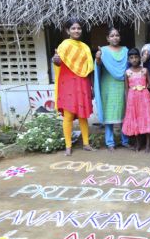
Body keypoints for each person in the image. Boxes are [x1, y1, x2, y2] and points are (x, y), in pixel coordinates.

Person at [52, 18, 95, 156]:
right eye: (73, 28)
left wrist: (92, 87)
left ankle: (86, 143)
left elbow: (89, 68)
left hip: (83, 83)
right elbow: (58, 63)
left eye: (79, 28)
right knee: (68, 115)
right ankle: (68, 146)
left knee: (83, 115)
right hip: (68, 83)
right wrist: (56, 61)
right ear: (67, 30)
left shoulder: (85, 47)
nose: (76, 31)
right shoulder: (64, 46)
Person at [93, 27, 130, 151]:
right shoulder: (102, 51)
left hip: (122, 85)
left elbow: (130, 67)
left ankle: (125, 140)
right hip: (107, 86)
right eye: (112, 36)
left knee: (124, 113)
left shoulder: (125, 50)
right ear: (107, 38)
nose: (115, 38)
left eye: (117, 35)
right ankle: (110, 143)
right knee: (109, 114)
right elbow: (98, 66)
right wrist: (98, 58)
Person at [122, 48, 150, 152]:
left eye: (136, 57)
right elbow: (126, 89)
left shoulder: (144, 70)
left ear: (140, 58)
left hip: (145, 98)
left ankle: (148, 144)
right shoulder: (127, 72)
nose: (134, 59)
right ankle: (138, 143)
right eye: (131, 58)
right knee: (136, 120)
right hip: (132, 99)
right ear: (128, 60)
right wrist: (127, 104)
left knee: (147, 119)